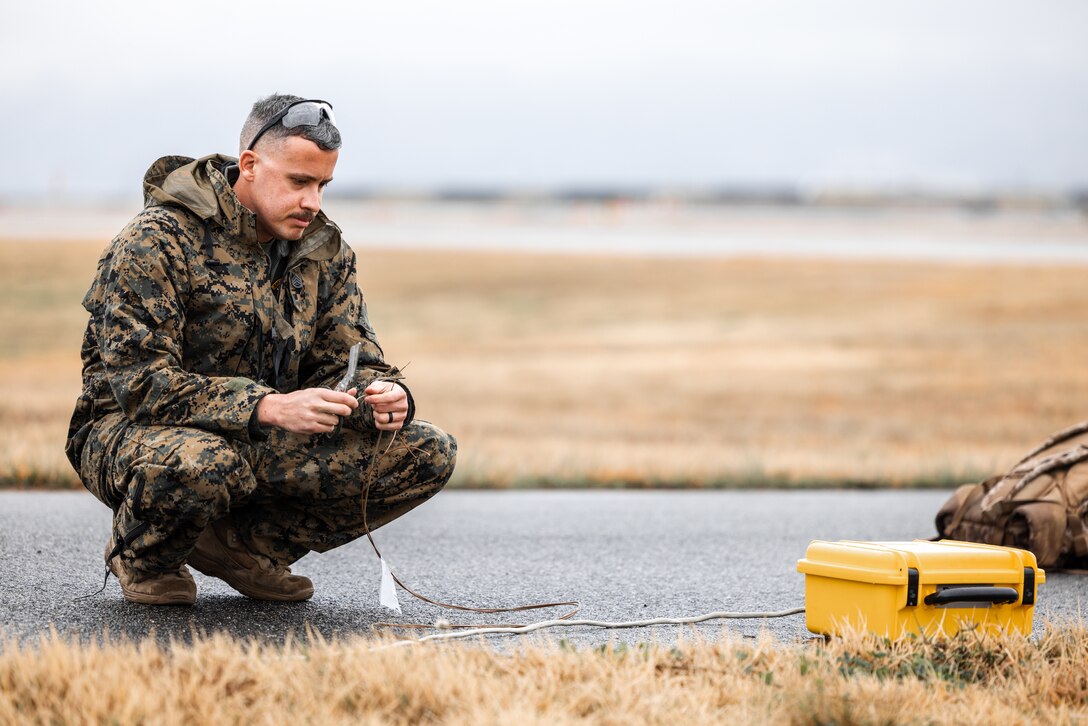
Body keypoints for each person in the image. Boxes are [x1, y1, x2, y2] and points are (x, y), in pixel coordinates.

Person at [64, 94, 457, 606]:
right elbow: (142, 384)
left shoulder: (320, 251)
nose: (313, 202)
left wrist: (385, 396)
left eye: (322, 185)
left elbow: (349, 359)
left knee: (425, 451)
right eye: (299, 182)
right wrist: (267, 405)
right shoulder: (156, 241)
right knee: (204, 464)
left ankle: (245, 549)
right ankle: (146, 557)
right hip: (134, 431)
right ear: (249, 165)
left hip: (264, 432)